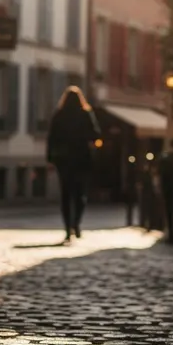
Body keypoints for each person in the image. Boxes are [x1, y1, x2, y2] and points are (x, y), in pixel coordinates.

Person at [46, 86, 101, 243]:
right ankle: (76, 223)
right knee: (80, 194)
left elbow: (51, 138)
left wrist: (50, 159)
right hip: (81, 159)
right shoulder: (85, 114)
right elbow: (95, 134)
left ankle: (67, 228)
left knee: (66, 194)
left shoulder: (59, 115)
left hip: (63, 160)